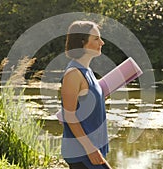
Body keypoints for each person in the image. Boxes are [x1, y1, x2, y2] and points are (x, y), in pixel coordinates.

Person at [60, 20, 112, 169]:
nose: (102, 42)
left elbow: (82, 103)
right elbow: (69, 116)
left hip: (91, 148)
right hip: (81, 151)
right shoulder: (73, 74)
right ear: (82, 42)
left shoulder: (87, 71)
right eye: (96, 38)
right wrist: (90, 148)